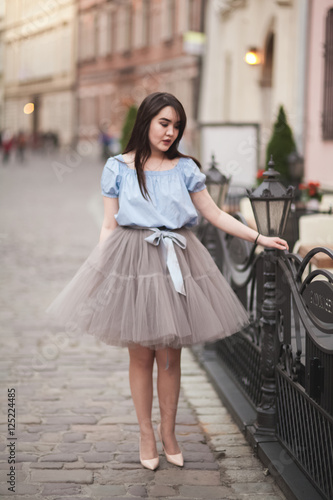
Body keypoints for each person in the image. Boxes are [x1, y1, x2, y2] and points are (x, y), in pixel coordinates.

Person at [46, 92, 288, 471]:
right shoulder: (118, 167)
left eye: (176, 126)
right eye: (164, 123)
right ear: (146, 122)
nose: (171, 132)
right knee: (140, 355)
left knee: (171, 357)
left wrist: (259, 237)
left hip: (178, 257)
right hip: (132, 259)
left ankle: (169, 432)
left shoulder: (185, 169)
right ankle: (146, 434)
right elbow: (109, 224)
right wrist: (102, 273)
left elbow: (215, 214)